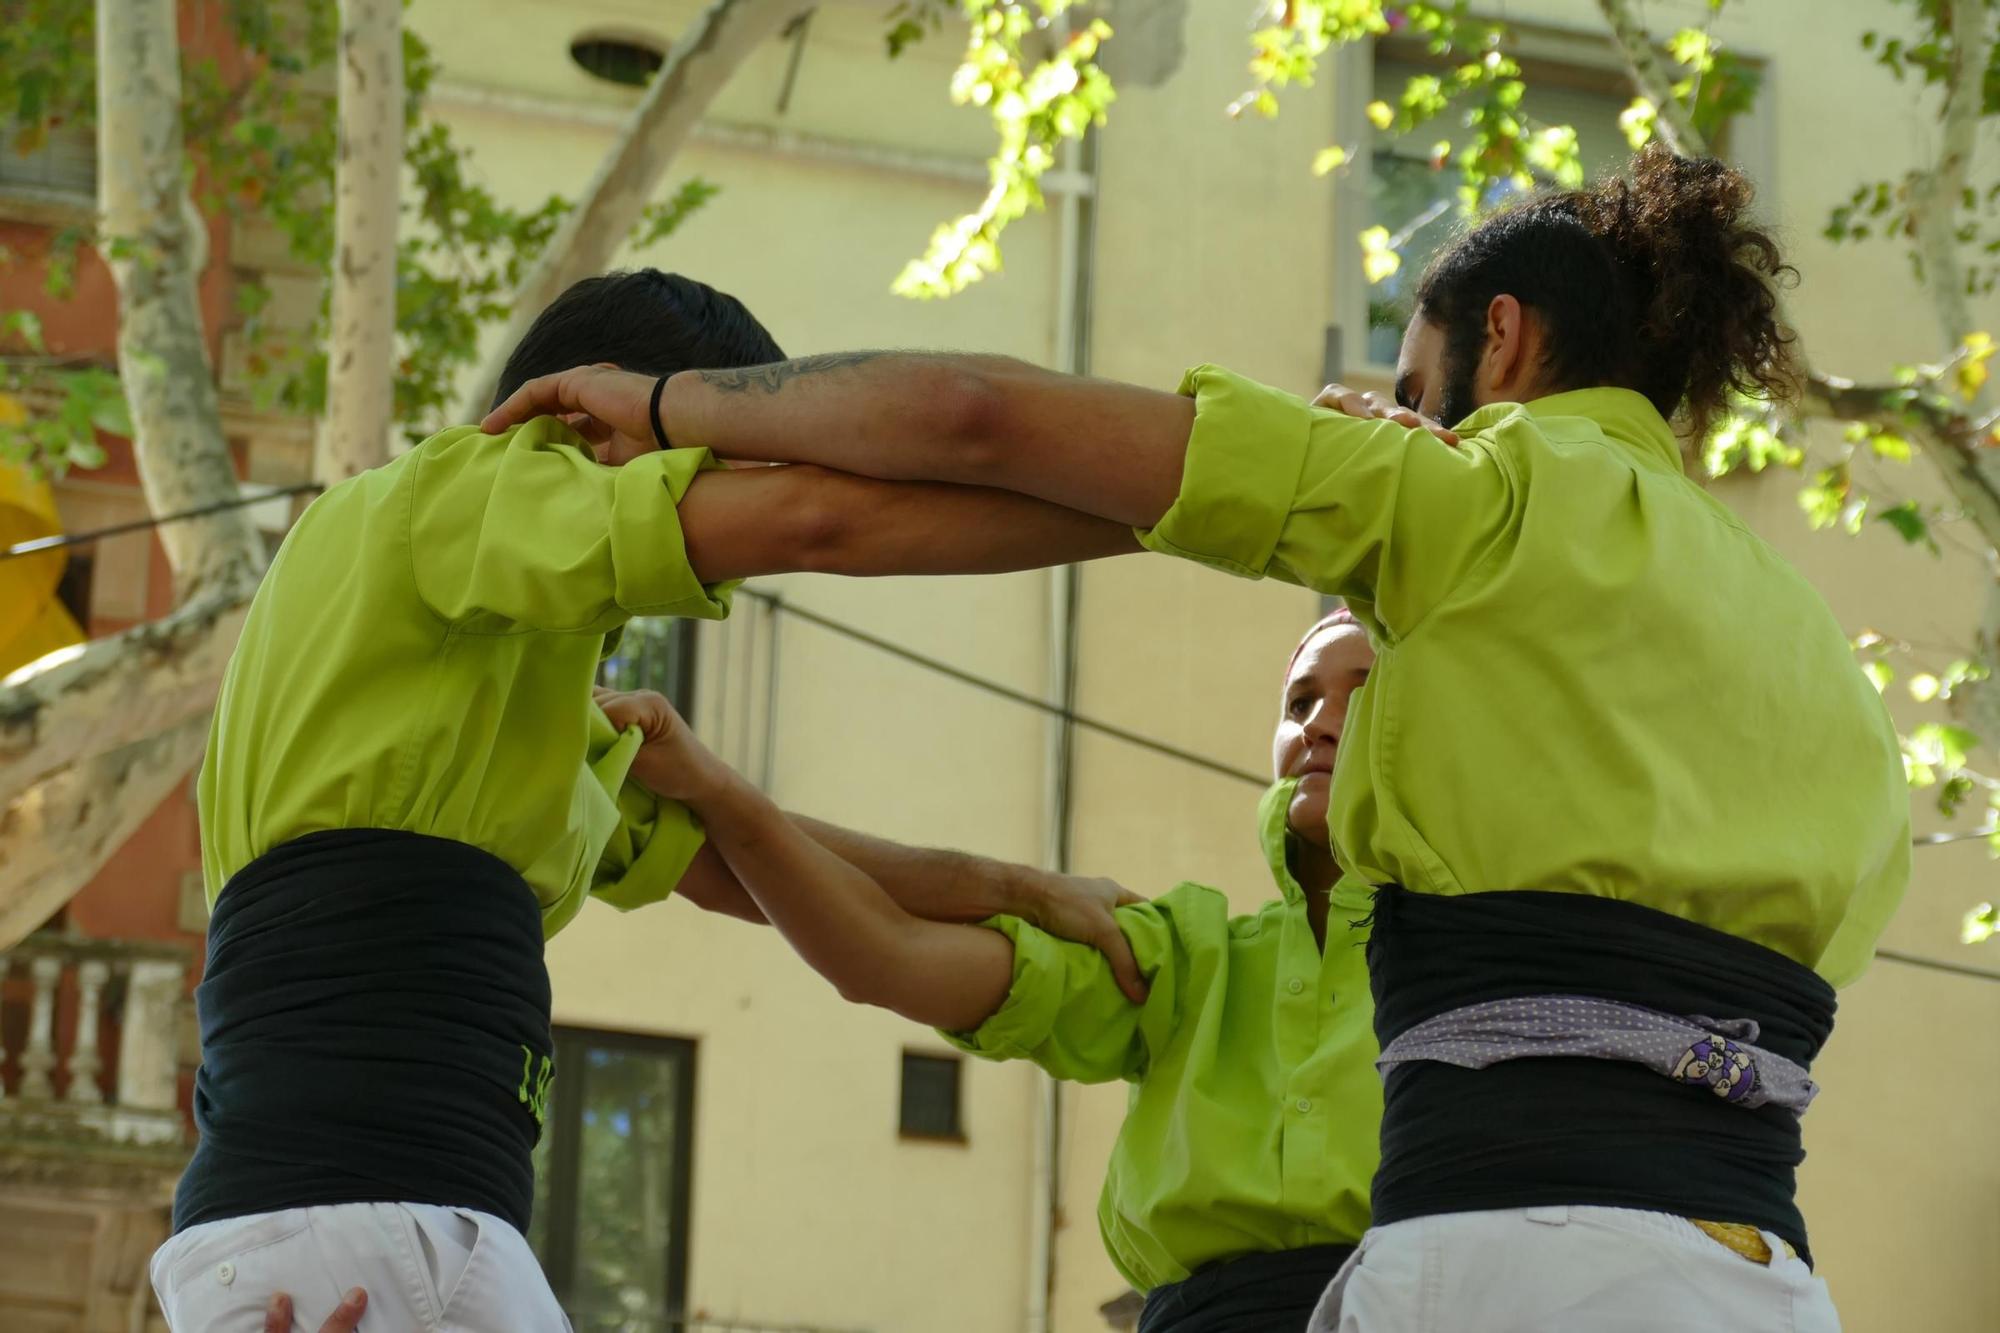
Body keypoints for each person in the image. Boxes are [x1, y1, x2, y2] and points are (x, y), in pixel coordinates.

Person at [484, 150, 1908, 1329]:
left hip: (1504, 1265)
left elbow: (976, 418)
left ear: (1504, 339)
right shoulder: (1826, 676)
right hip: (1763, 1286)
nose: (1400, 429)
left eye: (1413, 394)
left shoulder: (1479, 506)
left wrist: (672, 406)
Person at [151, 270, 1149, 1332]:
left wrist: (1017, 889)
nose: (729, 503)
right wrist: (1185, 498)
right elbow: (823, 519)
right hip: (372, 1225)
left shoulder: (473, 686)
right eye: (715, 458)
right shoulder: (449, 498)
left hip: (335, 1230)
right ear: (596, 412)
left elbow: (752, 866)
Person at [590, 605, 1383, 1333]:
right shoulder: (1185, 954)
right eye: (1298, 701)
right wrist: (715, 788)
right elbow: (886, 951)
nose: (1318, 723)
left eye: (1366, 689)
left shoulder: (1488, 962)